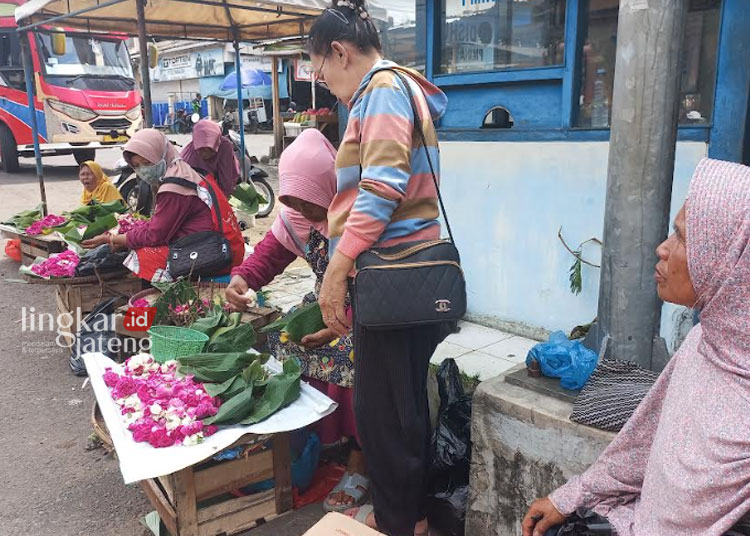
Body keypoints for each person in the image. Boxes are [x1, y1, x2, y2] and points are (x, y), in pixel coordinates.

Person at [523, 158, 750, 536]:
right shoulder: (705, 343)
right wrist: (573, 495)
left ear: (730, 261)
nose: (662, 249)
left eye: (682, 237)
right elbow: (646, 442)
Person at [308, 1, 448, 534]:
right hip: (402, 276)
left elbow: (383, 186)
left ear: (339, 53)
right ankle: (408, 516)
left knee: (386, 417)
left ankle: (398, 522)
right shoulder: (392, 90)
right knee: (399, 409)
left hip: (392, 277)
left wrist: (337, 268)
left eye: (321, 72)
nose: (323, 84)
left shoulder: (384, 90)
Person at [224, 128, 369, 512]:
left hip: (369, 309)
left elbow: (381, 281)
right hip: (325, 302)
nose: (303, 210)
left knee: (351, 355)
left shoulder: (360, 213)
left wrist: (348, 321)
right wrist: (243, 278)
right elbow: (270, 254)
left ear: (330, 184)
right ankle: (318, 438)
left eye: (309, 201)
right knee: (283, 341)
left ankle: (360, 457)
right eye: (293, 200)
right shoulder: (296, 216)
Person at [82, 129, 244, 282]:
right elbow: (160, 225)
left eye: (147, 162)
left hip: (213, 252)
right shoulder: (181, 169)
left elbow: (155, 235)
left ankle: (157, 304)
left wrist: (111, 239)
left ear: (161, 154)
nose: (144, 170)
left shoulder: (175, 186)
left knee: (143, 257)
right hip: (219, 242)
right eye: (137, 166)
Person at [181, 119, 241, 198]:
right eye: (201, 150)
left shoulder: (224, 147)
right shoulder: (188, 157)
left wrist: (222, 199)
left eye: (209, 150)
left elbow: (227, 178)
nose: (205, 154)